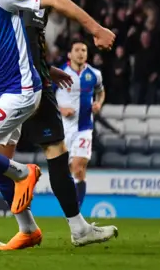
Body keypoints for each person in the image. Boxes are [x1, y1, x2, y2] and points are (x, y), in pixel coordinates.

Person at [0, 0, 118, 249]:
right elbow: (59, 3)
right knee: (56, 153)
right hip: (28, 86)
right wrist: (97, 30)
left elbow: (19, 41)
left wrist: (46, 64)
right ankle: (78, 228)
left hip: (4, 85)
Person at [56, 40, 105, 210]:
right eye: (77, 49)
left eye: (84, 50)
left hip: (84, 128)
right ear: (70, 54)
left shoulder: (94, 74)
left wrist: (99, 103)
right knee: (67, 171)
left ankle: (76, 211)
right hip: (63, 129)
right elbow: (45, 97)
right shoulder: (60, 73)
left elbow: (100, 91)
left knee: (78, 167)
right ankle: (70, 205)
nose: (81, 53)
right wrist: (61, 108)